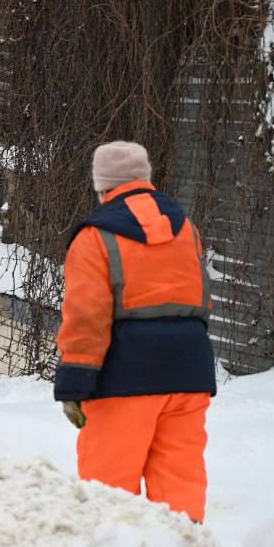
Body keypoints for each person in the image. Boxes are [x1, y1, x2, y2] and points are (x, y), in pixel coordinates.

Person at [54, 141, 216, 522]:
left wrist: (74, 386)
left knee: (109, 495)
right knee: (180, 490)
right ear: (146, 179)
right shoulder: (186, 229)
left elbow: (86, 317)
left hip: (123, 379)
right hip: (189, 377)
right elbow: (201, 299)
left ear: (102, 187)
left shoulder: (94, 237)